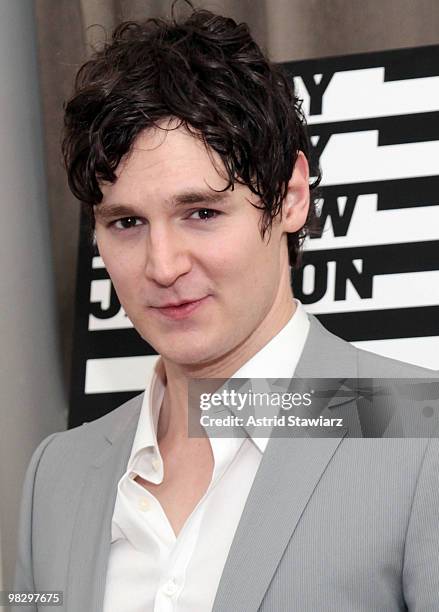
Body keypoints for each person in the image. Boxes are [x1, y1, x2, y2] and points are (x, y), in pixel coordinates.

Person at [14, 5, 439, 611]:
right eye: (127, 222)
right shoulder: (56, 474)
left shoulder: (421, 438)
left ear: (291, 196)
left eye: (202, 213)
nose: (163, 266)